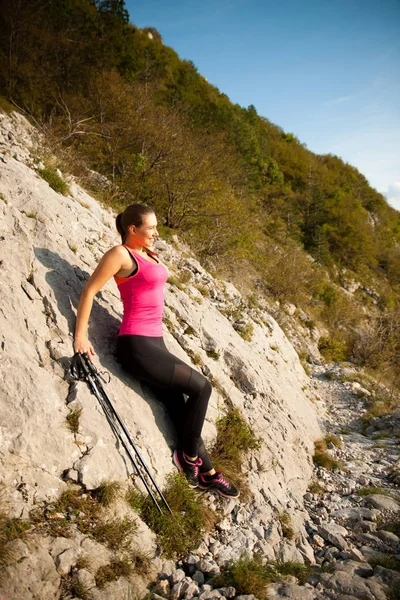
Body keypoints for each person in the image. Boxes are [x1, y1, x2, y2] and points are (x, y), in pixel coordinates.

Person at [74, 203, 239, 498]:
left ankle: (209, 474)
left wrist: (149, 254)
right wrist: (80, 337)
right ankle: (188, 459)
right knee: (202, 388)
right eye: (150, 228)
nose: (156, 233)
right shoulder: (119, 254)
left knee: (182, 412)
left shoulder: (146, 253)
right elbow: (89, 291)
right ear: (132, 229)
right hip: (136, 346)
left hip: (155, 341)